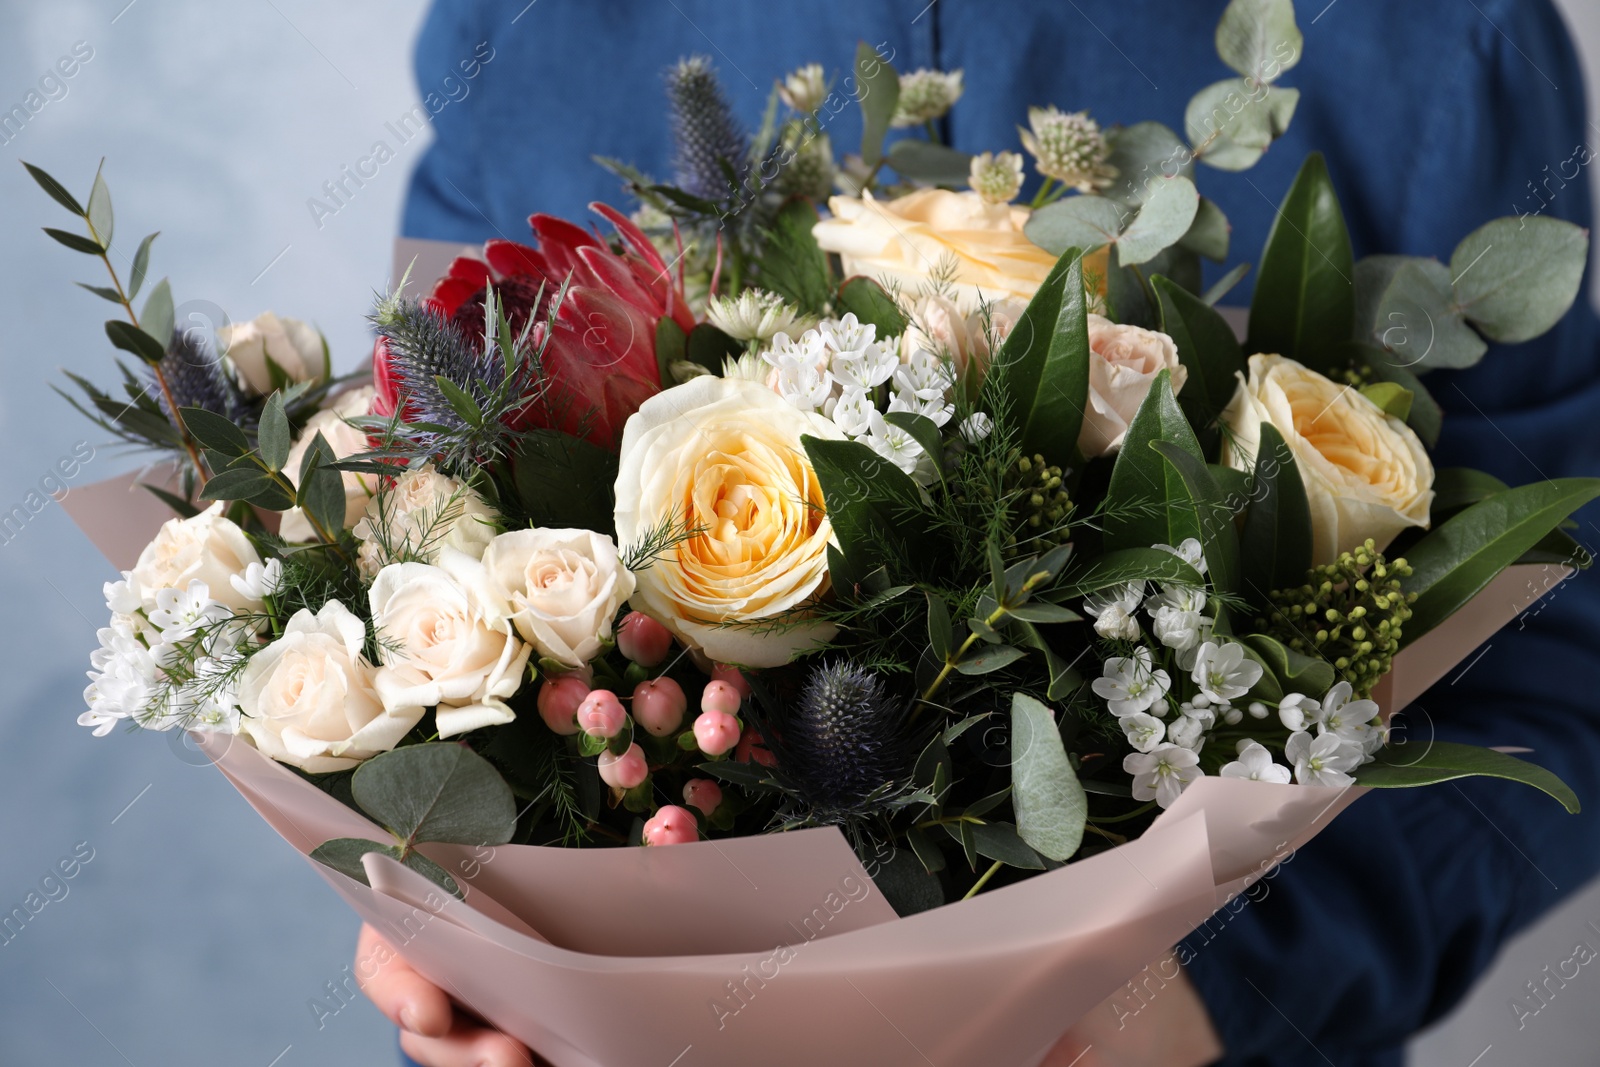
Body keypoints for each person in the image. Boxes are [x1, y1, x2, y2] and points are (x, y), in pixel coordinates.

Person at [366, 2, 1600, 1064]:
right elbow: (406, 537)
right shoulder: (521, 30)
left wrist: (1212, 994)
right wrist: (467, 945)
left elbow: (1562, 667)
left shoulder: (1436, 40)